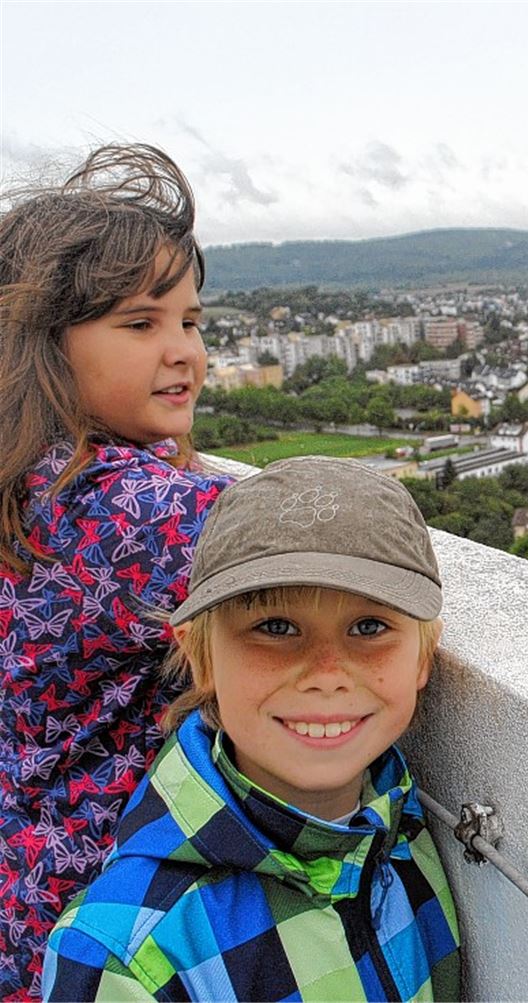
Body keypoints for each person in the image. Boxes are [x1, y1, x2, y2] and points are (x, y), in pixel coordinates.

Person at [42, 456, 462, 1001]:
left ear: (423, 660)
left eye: (369, 626)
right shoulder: (126, 957)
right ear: (200, 657)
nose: (327, 674)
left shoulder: (396, 820)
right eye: (275, 627)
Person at [0, 144, 234, 998]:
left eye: (191, 320)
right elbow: (321, 542)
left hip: (33, 909)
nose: (182, 351)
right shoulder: (113, 507)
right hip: (108, 931)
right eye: (141, 324)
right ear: (45, 348)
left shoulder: (36, 480)